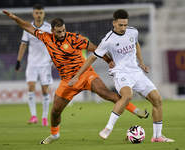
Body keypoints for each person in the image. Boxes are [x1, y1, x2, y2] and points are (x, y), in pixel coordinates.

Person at [2, 10, 149, 145]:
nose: (63, 33)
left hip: (85, 74)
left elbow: (94, 48)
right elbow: (29, 28)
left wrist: (108, 60)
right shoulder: (46, 38)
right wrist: (15, 18)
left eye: (64, 30)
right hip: (67, 82)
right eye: (59, 31)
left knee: (105, 93)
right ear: (52, 31)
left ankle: (136, 111)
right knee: (55, 112)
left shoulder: (75, 38)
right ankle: (54, 135)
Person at [69, 9, 174, 142]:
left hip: (136, 72)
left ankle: (157, 136)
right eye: (120, 25)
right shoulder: (108, 40)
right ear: (114, 23)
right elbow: (91, 59)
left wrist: (141, 63)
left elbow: (136, 44)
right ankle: (108, 128)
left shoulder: (133, 31)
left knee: (158, 100)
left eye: (125, 25)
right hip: (120, 72)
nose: (123, 28)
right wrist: (76, 76)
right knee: (127, 96)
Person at [15, 4, 54, 126]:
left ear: (44, 14)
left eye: (40, 12)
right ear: (33, 14)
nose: (38, 14)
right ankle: (33, 116)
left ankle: (44, 117)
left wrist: (54, 59)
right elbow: (23, 45)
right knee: (30, 87)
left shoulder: (48, 28)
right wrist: (18, 61)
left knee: (44, 89)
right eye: (36, 12)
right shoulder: (28, 27)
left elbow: (54, 45)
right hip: (32, 63)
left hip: (45, 64)